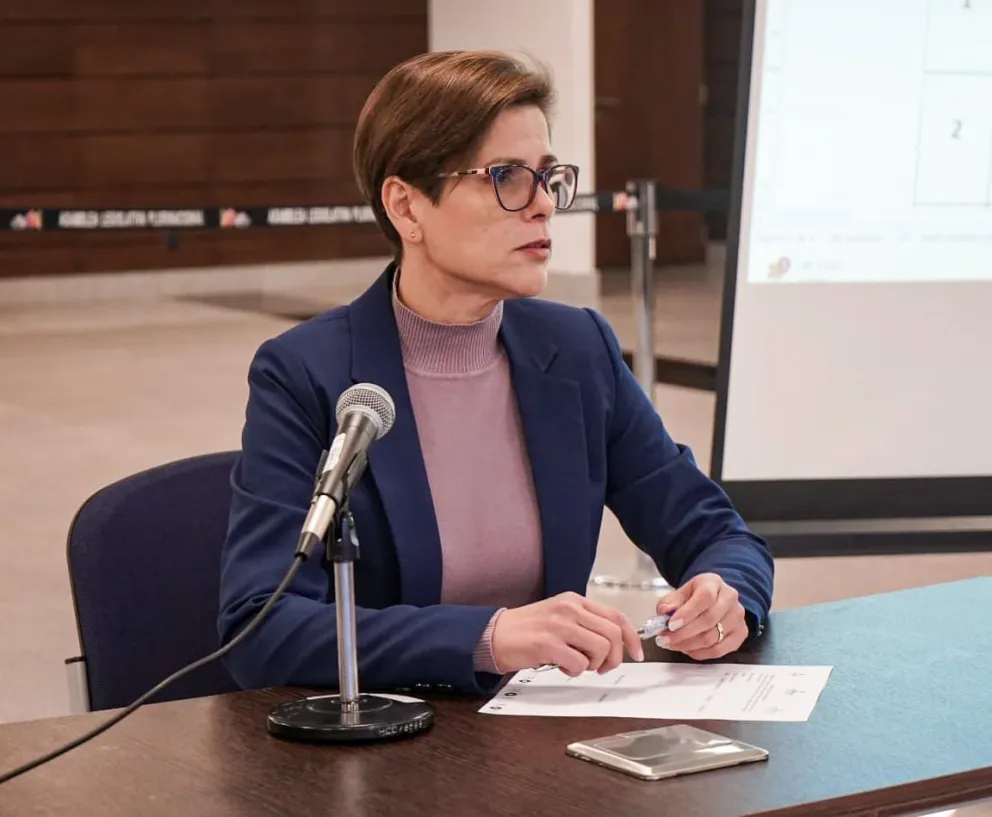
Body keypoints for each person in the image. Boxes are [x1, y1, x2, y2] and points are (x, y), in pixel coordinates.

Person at [218, 49, 774, 695]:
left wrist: (726, 593)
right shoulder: (306, 374)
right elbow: (262, 624)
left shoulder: (577, 348)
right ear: (406, 206)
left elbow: (714, 530)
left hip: (544, 742)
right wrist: (489, 637)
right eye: (507, 177)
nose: (542, 206)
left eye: (548, 177)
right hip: (392, 746)